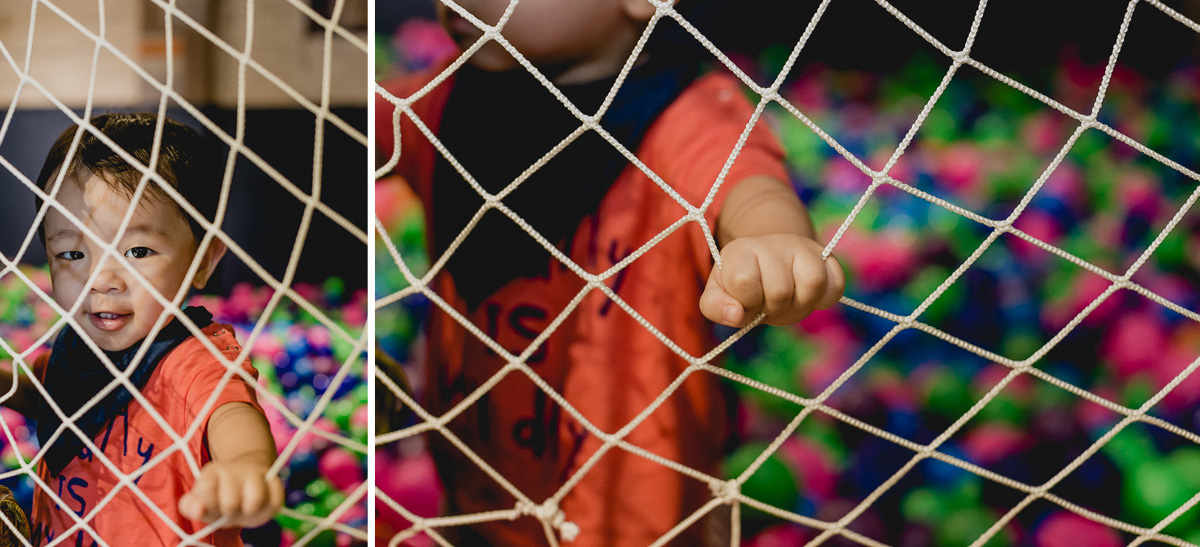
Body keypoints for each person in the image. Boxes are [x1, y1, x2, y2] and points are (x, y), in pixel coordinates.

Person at [377, 0, 844, 544]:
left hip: (635, 511)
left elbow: (748, 183)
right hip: (476, 489)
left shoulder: (683, 115)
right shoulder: (445, 98)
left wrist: (769, 240)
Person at [0, 113, 282, 546]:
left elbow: (231, 413)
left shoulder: (192, 361)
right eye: (72, 254)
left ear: (203, 260)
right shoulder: (76, 348)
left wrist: (244, 466)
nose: (101, 279)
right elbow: (49, 396)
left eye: (136, 250)